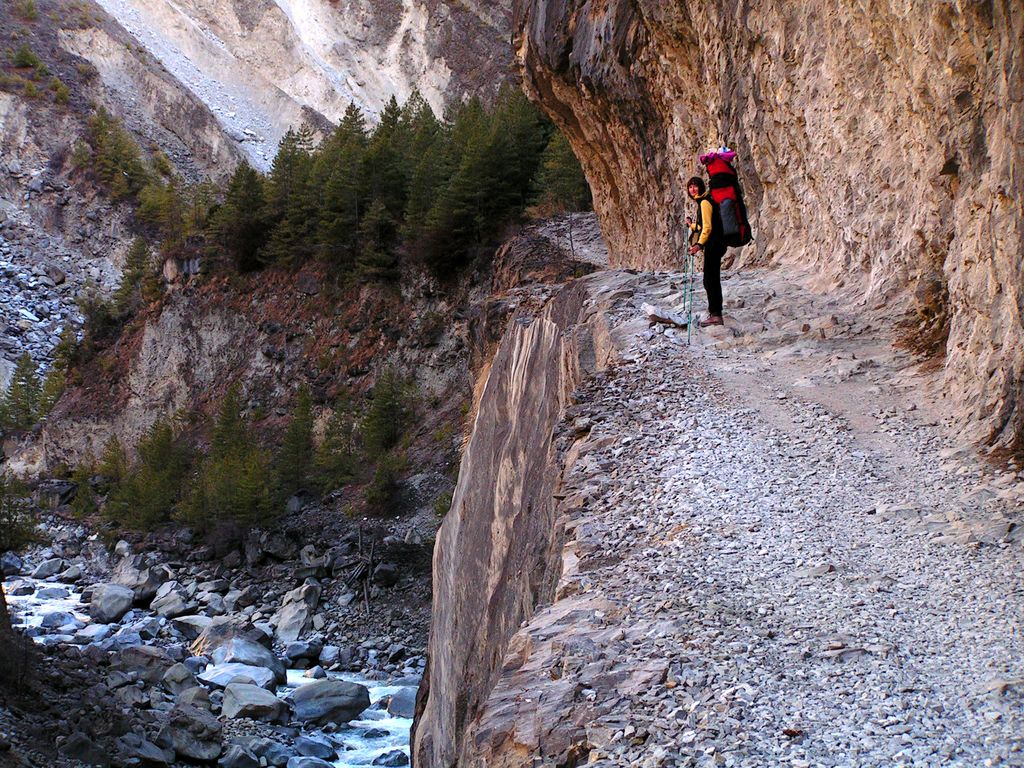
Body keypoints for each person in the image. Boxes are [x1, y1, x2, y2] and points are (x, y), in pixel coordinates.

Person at [685, 175, 725, 327]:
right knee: (711, 278)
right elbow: (703, 226)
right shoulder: (705, 200)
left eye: (695, 186)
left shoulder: (705, 202)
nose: (693, 189)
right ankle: (715, 312)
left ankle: (716, 315)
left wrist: (698, 245)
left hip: (714, 243)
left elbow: (707, 228)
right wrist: (692, 226)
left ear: (700, 187)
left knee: (710, 279)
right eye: (690, 187)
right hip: (716, 242)